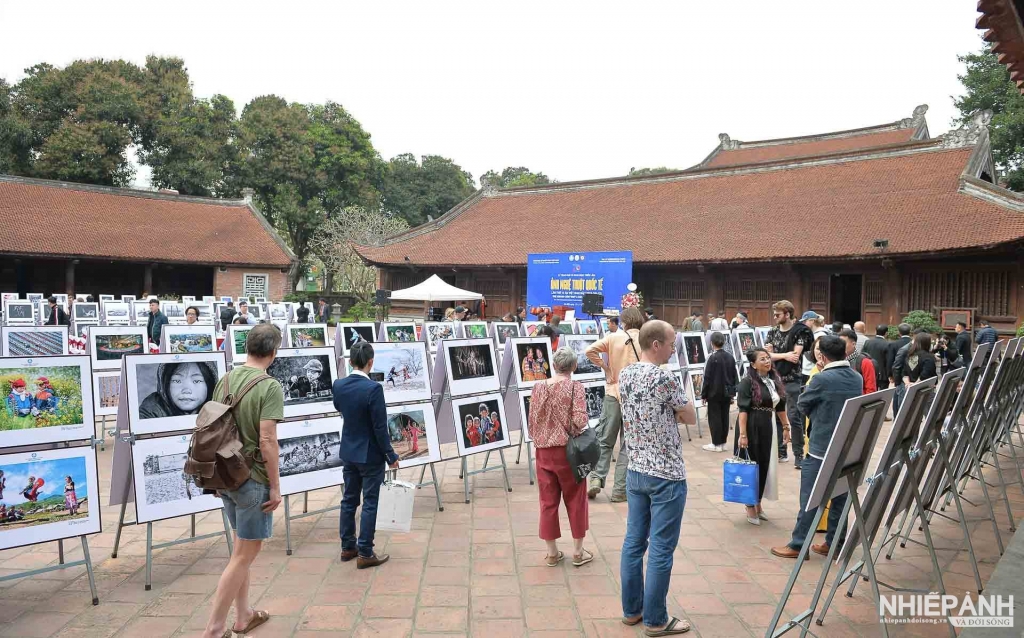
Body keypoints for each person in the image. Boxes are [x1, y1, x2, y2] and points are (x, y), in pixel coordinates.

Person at [202, 323, 284, 638]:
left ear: (247, 347)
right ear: (273, 353)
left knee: (239, 548)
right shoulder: (269, 386)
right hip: (253, 479)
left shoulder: (225, 379)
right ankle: (214, 628)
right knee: (243, 556)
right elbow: (267, 440)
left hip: (225, 475)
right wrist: (275, 486)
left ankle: (243, 615)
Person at [618, 320, 697, 635]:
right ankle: (655, 620)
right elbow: (690, 415)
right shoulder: (664, 378)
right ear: (655, 344)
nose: (674, 347)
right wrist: (673, 412)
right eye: (671, 342)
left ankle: (632, 611)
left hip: (635, 468)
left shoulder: (627, 373)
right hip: (666, 473)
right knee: (662, 548)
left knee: (633, 542)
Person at [771, 335, 862, 560]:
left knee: (810, 498)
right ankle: (834, 543)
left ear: (821, 355)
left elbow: (802, 405)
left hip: (821, 447)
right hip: (848, 447)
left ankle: (799, 543)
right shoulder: (856, 377)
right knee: (840, 497)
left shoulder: (822, 378)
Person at [334, 341, 399, 568]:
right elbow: (380, 428)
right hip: (370, 453)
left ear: (350, 361)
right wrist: (391, 456)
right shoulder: (373, 389)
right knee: (370, 502)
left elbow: (340, 409)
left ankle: (347, 546)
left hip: (349, 450)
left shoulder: (339, 385)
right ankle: (365, 551)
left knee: (349, 499)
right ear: (370, 362)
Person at [529, 346, 593, 567]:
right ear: (574, 366)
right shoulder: (575, 387)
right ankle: (578, 551)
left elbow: (532, 423)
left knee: (547, 502)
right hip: (569, 452)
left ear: (554, 365)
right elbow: (580, 421)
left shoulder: (537, 387)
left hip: (543, 451)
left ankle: (552, 553)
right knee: (576, 499)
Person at [584, 307, 645, 501]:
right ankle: (619, 490)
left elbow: (590, 350)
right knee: (628, 444)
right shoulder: (645, 339)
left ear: (624, 321)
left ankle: (596, 479)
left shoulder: (614, 337)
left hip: (613, 392)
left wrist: (606, 368)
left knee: (605, 439)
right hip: (636, 396)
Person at [736, 348, 790, 525]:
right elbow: (743, 410)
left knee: (765, 464)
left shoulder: (774, 380)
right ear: (753, 364)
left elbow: (780, 406)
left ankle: (758, 503)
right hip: (752, 425)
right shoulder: (747, 382)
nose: (767, 362)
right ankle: (750, 505)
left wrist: (786, 426)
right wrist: (743, 435)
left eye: (768, 358)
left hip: (768, 424)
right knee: (752, 464)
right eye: (762, 359)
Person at [764, 302, 813, 468]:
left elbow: (795, 356)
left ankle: (798, 453)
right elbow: (766, 356)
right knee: (777, 415)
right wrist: (783, 355)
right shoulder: (772, 331)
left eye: (778, 314)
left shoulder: (799, 331)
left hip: (792, 379)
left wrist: (775, 355)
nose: (775, 317)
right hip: (775, 378)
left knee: (794, 416)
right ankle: (781, 450)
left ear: (787, 314)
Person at [139, 361, 217, 419]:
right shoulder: (152, 410)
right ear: (165, 385)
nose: (186, 390)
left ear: (210, 384)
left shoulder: (220, 408)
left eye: (196, 381)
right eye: (177, 381)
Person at [701, 331, 738, 452]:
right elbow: (734, 376)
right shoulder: (730, 357)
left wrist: (704, 394)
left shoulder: (711, 357)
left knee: (714, 417)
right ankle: (723, 442)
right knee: (724, 417)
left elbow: (707, 377)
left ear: (712, 343)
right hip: (727, 392)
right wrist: (733, 393)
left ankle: (715, 443)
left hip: (714, 392)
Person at [838, 329, 876, 394]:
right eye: (838, 343)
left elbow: (871, 390)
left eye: (843, 343)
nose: (840, 346)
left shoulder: (865, 362)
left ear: (853, 344)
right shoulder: (835, 360)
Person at [886, 323, 913, 415]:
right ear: (910, 332)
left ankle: (896, 417)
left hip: (898, 375)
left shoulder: (893, 344)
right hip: (912, 375)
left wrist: (890, 375)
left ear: (899, 332)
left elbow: (890, 361)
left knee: (898, 397)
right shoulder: (914, 343)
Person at [861, 324, 890, 391]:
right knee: (883, 393)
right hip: (882, 373)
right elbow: (888, 360)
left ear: (875, 331)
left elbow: (863, 355)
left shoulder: (868, 342)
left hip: (869, 371)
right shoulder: (887, 344)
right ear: (886, 333)